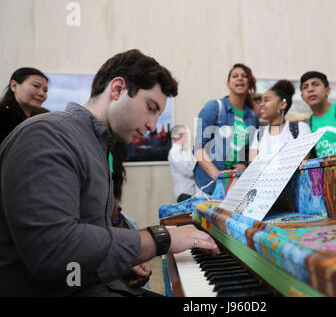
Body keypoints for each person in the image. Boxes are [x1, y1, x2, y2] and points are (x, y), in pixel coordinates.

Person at [0, 49, 219, 297]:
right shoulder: (46, 135)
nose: (152, 126)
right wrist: (161, 238)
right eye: (150, 107)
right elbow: (53, 250)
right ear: (117, 89)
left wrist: (114, 263)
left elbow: (86, 239)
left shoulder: (96, 143)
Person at [193, 63, 260, 195]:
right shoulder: (214, 107)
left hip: (235, 185)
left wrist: (244, 166)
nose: (240, 78)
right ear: (228, 84)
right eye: (235, 76)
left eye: (244, 76)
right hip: (209, 185)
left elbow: (251, 152)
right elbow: (198, 148)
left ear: (249, 83)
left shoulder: (252, 117)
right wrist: (217, 176)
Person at [249, 80, 311, 160]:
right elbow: (252, 166)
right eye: (261, 101)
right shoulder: (258, 133)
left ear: (282, 104)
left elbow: (300, 161)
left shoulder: (300, 128)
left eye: (266, 100)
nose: (261, 104)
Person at [0, 67, 48, 144]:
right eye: (36, 86)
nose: (42, 94)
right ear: (14, 86)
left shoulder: (43, 118)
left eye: (45, 90)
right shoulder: (3, 115)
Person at [168, 125, 196, 202]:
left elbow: (195, 166)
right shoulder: (174, 152)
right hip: (184, 192)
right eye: (183, 133)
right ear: (175, 136)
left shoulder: (186, 151)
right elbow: (189, 172)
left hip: (193, 192)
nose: (186, 136)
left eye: (186, 133)